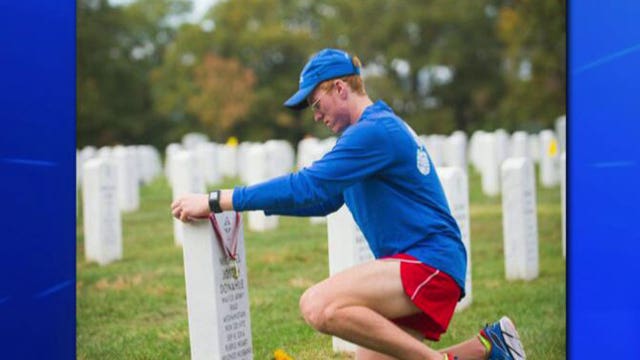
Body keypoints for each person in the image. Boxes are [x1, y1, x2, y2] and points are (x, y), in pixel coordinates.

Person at [171, 48, 526, 360]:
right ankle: (491, 345)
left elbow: (307, 185)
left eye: (315, 103)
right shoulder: (373, 130)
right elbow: (322, 198)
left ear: (339, 88)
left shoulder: (373, 132)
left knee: (318, 305)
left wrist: (218, 201)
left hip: (427, 263)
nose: (316, 115)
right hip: (417, 265)